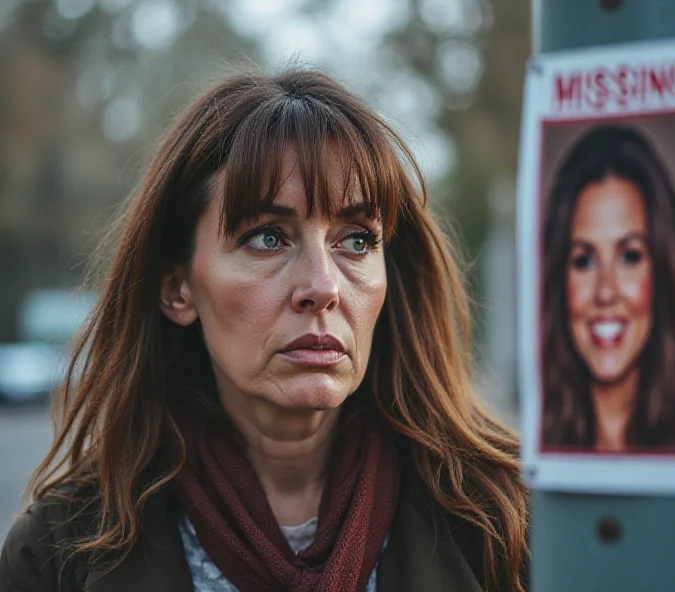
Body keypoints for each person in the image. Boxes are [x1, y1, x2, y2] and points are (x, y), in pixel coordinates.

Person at [0, 68, 529, 592]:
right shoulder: (58, 553)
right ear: (176, 289)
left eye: (357, 240)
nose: (323, 287)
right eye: (268, 238)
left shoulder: (504, 522)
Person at [541, 124, 675, 453]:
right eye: (584, 260)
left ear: (663, 270)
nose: (606, 292)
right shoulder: (527, 457)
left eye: (630, 256)